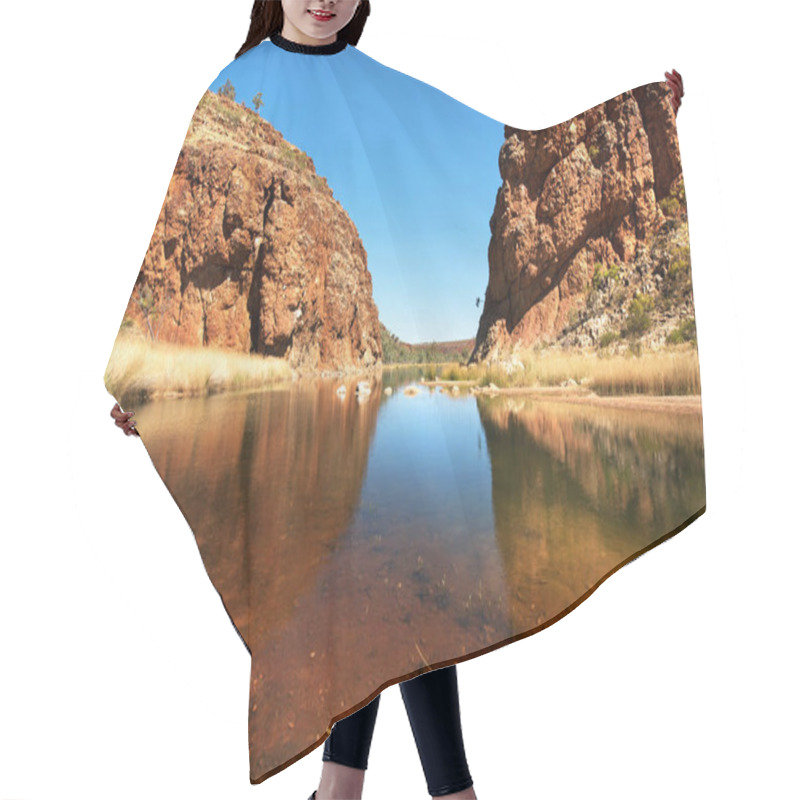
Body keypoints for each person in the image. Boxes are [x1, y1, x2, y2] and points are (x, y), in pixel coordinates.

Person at [109, 2, 685, 798]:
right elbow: (181, 253)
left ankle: (347, 789)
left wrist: (641, 121)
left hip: (348, 444)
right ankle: (429, 792)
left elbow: (496, 144)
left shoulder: (377, 82)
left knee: (389, 586)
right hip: (294, 446)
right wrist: (147, 384)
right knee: (371, 587)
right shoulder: (237, 88)